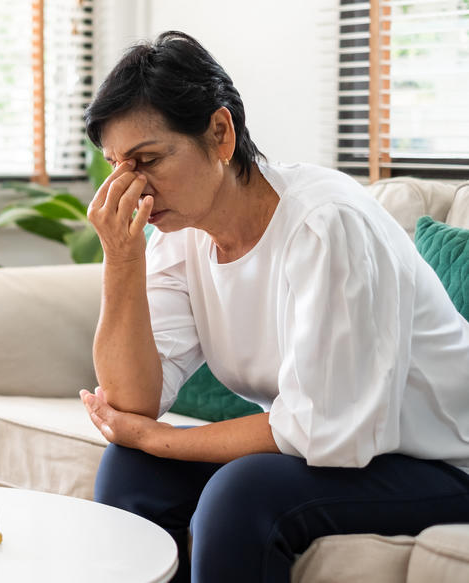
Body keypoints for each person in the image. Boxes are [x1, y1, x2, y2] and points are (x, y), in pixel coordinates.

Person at [78, 31, 469, 583]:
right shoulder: (177, 234)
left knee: (241, 496)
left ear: (220, 133)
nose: (132, 188)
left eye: (147, 160)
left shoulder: (326, 226)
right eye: (119, 166)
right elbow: (130, 402)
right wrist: (121, 258)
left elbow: (324, 430)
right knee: (132, 469)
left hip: (441, 462)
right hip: (344, 450)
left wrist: (157, 437)